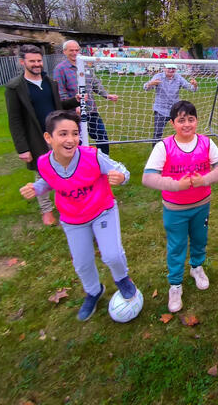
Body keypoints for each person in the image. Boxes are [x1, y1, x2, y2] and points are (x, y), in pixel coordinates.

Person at [19, 110, 140, 321]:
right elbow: (50, 181)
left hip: (102, 211)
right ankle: (94, 291)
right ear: (48, 138)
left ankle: (122, 279)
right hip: (73, 219)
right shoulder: (44, 163)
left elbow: (121, 169)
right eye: (63, 134)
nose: (71, 139)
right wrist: (36, 188)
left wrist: (122, 177)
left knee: (111, 254)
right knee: (82, 263)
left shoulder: (91, 156)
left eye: (75, 134)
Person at [142, 101, 218, 313]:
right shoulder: (163, 146)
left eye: (191, 119)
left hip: (201, 205)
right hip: (175, 208)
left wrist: (205, 180)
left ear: (197, 121)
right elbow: (148, 178)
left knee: (200, 239)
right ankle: (175, 284)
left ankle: (197, 267)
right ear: (173, 123)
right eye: (181, 120)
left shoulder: (206, 143)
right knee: (177, 245)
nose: (187, 124)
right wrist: (175, 185)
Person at [5, 44, 79, 226]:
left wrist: (74, 101)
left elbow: (57, 106)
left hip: (57, 135)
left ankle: (69, 202)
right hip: (36, 136)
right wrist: (22, 148)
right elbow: (14, 120)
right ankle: (46, 209)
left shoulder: (49, 83)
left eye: (39, 60)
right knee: (43, 171)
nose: (37, 64)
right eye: (32, 61)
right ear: (23, 62)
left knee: (67, 167)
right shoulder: (15, 88)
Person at [54, 40, 118, 155]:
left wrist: (107, 95)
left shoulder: (85, 66)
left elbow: (95, 83)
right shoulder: (60, 69)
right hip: (73, 114)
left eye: (77, 50)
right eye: (71, 50)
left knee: (102, 136)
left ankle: (104, 162)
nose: (75, 53)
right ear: (64, 52)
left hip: (91, 110)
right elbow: (60, 93)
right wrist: (75, 107)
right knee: (76, 141)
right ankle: (78, 164)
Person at [143, 63, 198, 144]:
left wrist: (195, 85)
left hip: (175, 109)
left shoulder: (178, 78)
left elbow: (191, 88)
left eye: (173, 68)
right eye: (169, 68)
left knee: (182, 129)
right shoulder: (158, 76)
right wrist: (150, 84)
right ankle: (156, 152)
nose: (171, 70)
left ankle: (182, 147)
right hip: (160, 109)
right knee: (158, 133)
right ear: (164, 68)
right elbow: (145, 88)